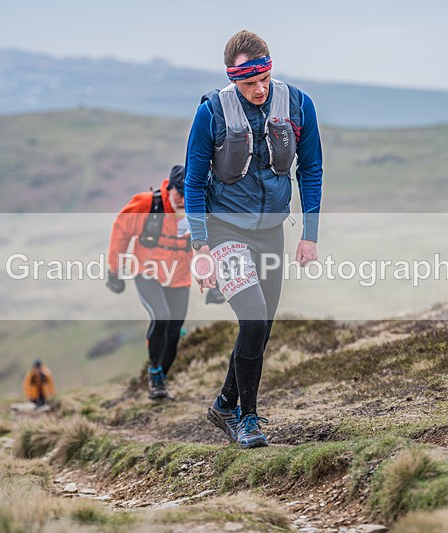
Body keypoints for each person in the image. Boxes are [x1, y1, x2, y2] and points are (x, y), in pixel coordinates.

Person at [184, 30, 323, 448]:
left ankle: (225, 403)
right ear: (232, 77)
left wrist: (310, 234)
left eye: (264, 78)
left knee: (262, 328)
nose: (259, 89)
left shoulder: (298, 104)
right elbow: (193, 181)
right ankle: (247, 418)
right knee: (254, 319)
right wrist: (200, 246)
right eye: (249, 82)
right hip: (224, 228)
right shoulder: (211, 112)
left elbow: (311, 169)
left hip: (271, 230)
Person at [106, 165, 223, 400]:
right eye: (179, 194)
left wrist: (216, 282)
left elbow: (210, 244)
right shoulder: (147, 205)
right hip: (147, 271)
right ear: (169, 188)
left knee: (174, 331)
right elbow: (121, 231)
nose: (183, 201)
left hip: (179, 276)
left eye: (188, 195)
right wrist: (114, 271)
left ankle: (161, 380)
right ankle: (154, 373)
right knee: (161, 316)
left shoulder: (198, 209)